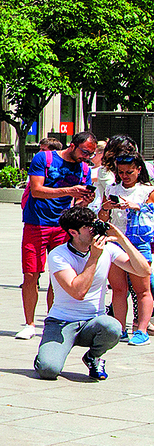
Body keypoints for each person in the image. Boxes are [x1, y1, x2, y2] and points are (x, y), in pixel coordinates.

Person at [34, 205, 143, 381]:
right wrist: (93, 258)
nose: (94, 231)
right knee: (48, 370)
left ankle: (93, 357)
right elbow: (78, 292)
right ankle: (47, 354)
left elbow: (143, 270)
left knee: (113, 327)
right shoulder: (58, 255)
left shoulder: (107, 249)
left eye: (94, 225)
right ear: (73, 232)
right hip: (62, 322)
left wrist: (122, 240)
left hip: (93, 321)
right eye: (88, 227)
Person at [19, 130, 98, 340]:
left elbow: (77, 203)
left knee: (59, 276)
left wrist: (84, 201)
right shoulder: (44, 158)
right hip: (37, 222)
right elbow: (36, 190)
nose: (86, 157)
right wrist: (70, 190)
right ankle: (29, 323)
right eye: (84, 151)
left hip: (64, 226)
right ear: (72, 145)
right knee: (31, 274)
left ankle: (53, 320)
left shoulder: (83, 169)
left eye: (90, 154)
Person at [100, 147, 154, 345]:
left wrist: (135, 206)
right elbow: (102, 217)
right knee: (118, 289)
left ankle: (141, 330)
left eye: (129, 172)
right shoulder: (111, 189)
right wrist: (106, 208)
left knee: (142, 289)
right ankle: (119, 328)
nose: (125, 176)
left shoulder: (147, 190)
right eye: (121, 172)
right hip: (115, 242)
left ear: (138, 170)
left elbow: (151, 212)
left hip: (138, 243)